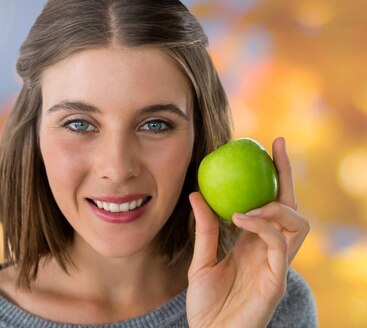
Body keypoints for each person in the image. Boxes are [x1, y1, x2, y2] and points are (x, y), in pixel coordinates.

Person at [0, 0, 317, 327]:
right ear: (33, 131)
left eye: (155, 125)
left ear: (198, 135)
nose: (118, 168)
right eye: (79, 124)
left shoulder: (272, 302)